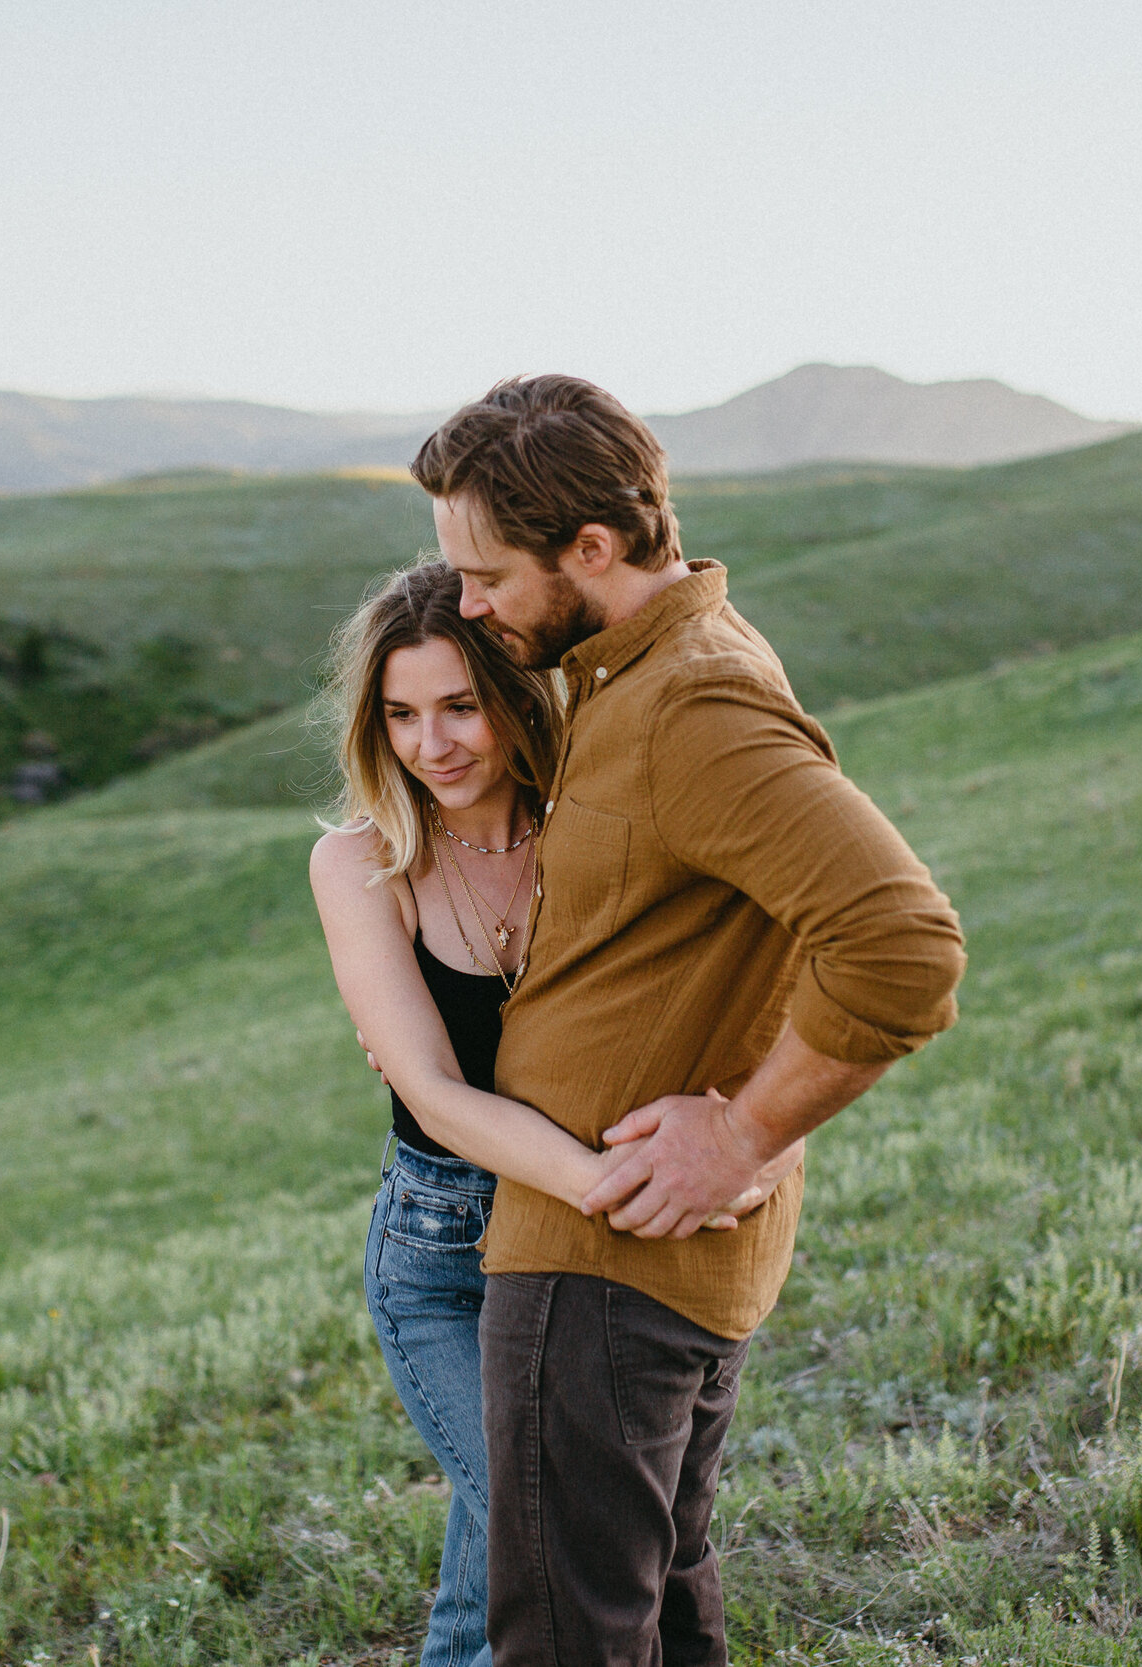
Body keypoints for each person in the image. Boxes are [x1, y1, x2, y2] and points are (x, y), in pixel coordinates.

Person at [412, 375, 967, 1667]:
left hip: (605, 1264)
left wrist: (745, 1128)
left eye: (488, 574)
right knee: (655, 1611)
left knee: (568, 1635)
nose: (471, 605)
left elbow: (903, 945)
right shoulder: (646, 666)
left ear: (592, 551)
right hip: (633, 1259)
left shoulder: (691, 706)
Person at [305, 561, 780, 1667]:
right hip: (447, 1250)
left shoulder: (589, 827)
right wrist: (615, 1189)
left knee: (517, 1550)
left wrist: (752, 1131)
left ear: (513, 695)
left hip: (576, 1248)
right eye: (401, 714)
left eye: (459, 704)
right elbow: (432, 1089)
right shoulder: (357, 862)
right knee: (541, 1529)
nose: (434, 744)